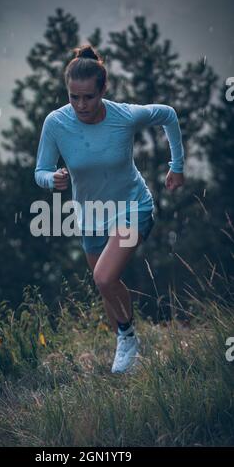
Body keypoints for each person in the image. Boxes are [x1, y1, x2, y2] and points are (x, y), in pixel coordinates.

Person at [35, 44, 185, 373]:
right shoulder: (56, 123)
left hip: (134, 207)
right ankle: (127, 352)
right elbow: (40, 170)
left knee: (104, 278)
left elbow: (168, 116)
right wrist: (52, 180)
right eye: (74, 97)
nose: (81, 105)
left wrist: (177, 166)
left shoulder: (124, 116)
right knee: (106, 288)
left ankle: (129, 337)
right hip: (89, 217)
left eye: (88, 96)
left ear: (104, 89)